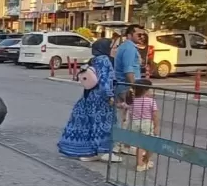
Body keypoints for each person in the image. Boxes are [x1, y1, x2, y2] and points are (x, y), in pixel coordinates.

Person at [58, 39, 122, 162]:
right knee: (104, 125)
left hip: (90, 96)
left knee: (90, 124)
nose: (116, 49)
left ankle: (89, 152)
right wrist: (109, 96)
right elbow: (104, 81)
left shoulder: (95, 59)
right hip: (101, 99)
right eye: (114, 47)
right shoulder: (105, 60)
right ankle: (104, 151)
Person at [113, 26, 143, 155]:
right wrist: (134, 87)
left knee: (126, 115)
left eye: (143, 35)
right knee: (128, 116)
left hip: (123, 85)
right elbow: (128, 69)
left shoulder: (125, 47)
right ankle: (123, 144)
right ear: (130, 35)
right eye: (139, 34)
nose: (141, 37)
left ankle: (122, 144)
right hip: (127, 86)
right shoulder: (129, 48)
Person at [129, 79, 159, 172]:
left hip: (135, 123)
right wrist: (156, 126)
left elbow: (130, 113)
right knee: (151, 143)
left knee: (140, 145)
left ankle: (139, 163)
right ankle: (146, 160)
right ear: (145, 91)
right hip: (146, 123)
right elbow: (155, 114)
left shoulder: (133, 101)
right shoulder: (151, 101)